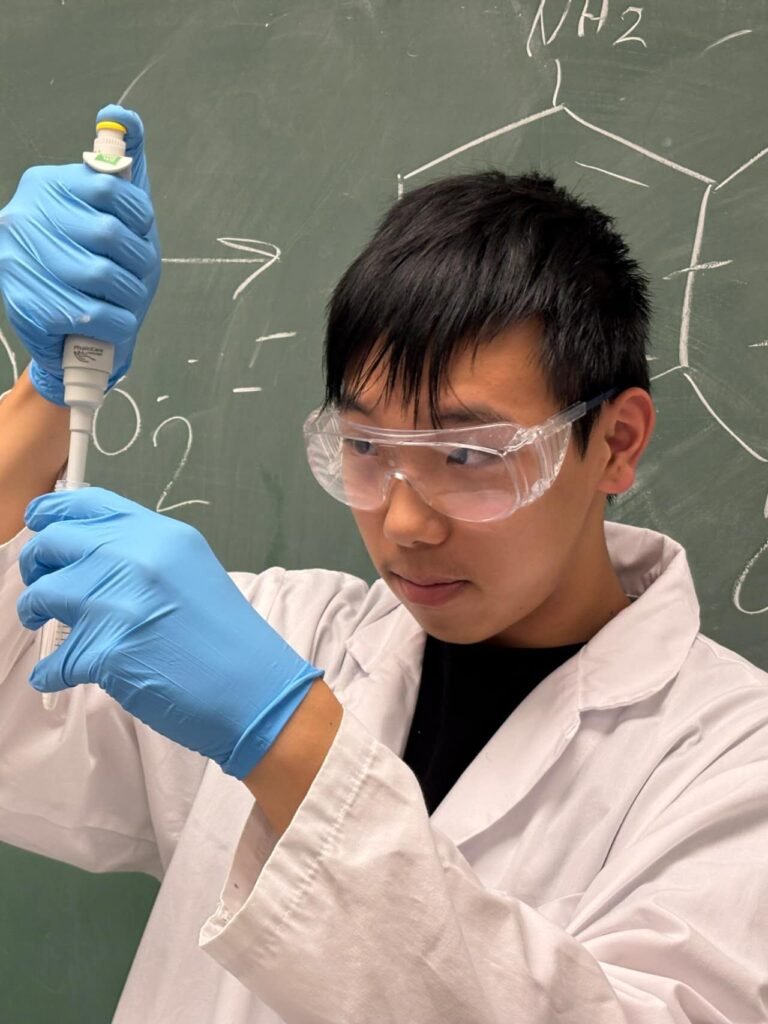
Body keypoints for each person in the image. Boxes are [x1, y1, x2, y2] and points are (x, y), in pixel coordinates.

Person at [0, 104, 766, 1024]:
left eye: (469, 455)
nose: (404, 522)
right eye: (364, 448)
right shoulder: (283, 633)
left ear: (617, 442)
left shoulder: (734, 764)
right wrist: (52, 386)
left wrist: (283, 738)